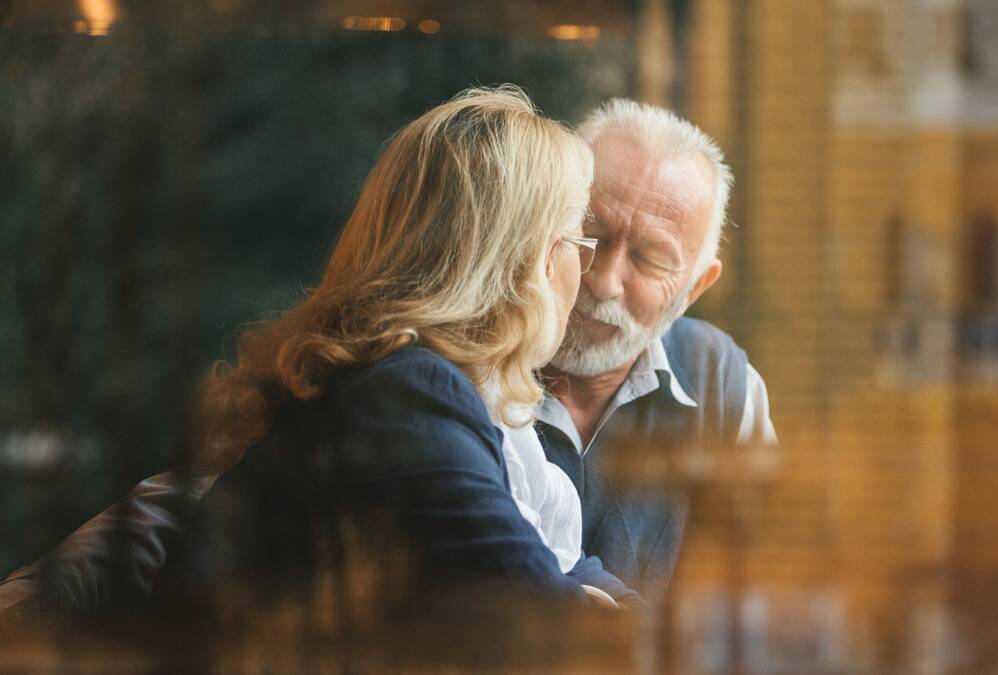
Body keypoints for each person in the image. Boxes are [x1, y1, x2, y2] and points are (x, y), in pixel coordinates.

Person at [0, 86, 638, 627]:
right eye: (578, 241)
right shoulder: (410, 392)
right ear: (522, 262)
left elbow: (570, 572)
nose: (587, 274)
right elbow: (537, 616)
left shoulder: (453, 404)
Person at [537, 99, 777, 601]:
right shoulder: (473, 362)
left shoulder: (726, 390)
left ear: (694, 288)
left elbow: (753, 595)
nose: (602, 282)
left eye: (650, 258)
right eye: (590, 234)